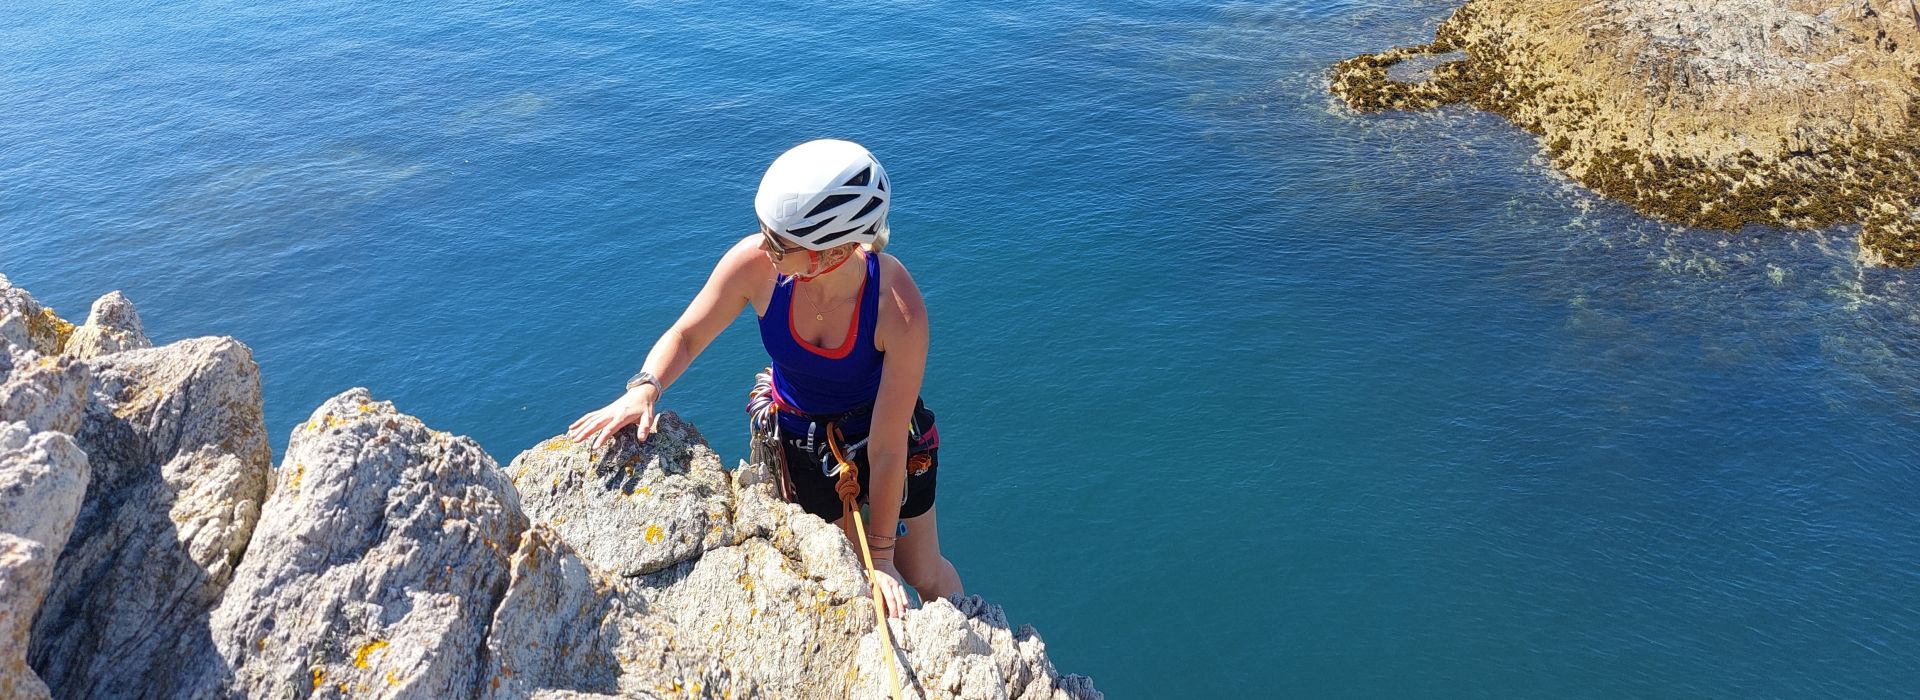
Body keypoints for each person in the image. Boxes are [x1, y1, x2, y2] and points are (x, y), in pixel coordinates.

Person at [566, 139, 962, 618]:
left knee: (920, 571)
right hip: (803, 440)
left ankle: (961, 624)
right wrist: (646, 385)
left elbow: (884, 444)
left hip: (890, 436)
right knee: (854, 576)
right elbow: (688, 335)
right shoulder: (756, 265)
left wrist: (884, 558)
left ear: (829, 255)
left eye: (779, 242)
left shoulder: (897, 308)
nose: (763, 246)